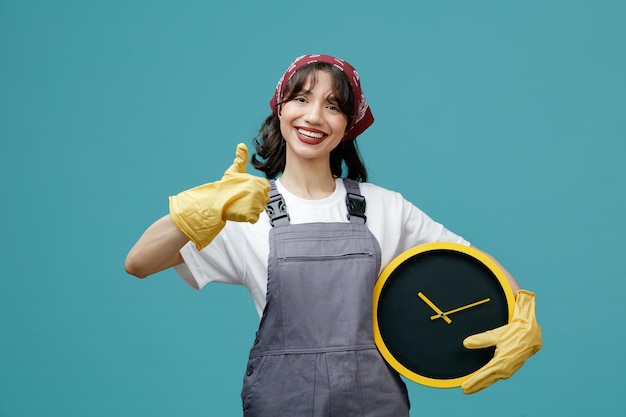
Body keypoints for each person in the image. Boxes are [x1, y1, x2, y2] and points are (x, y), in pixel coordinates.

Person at [125, 54, 542, 416]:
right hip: (281, 405)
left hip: (374, 406)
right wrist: (198, 210)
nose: (313, 117)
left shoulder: (384, 207)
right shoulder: (242, 209)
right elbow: (139, 263)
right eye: (301, 99)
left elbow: (473, 266)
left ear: (349, 124)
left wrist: (522, 314)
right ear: (280, 110)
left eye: (333, 106)